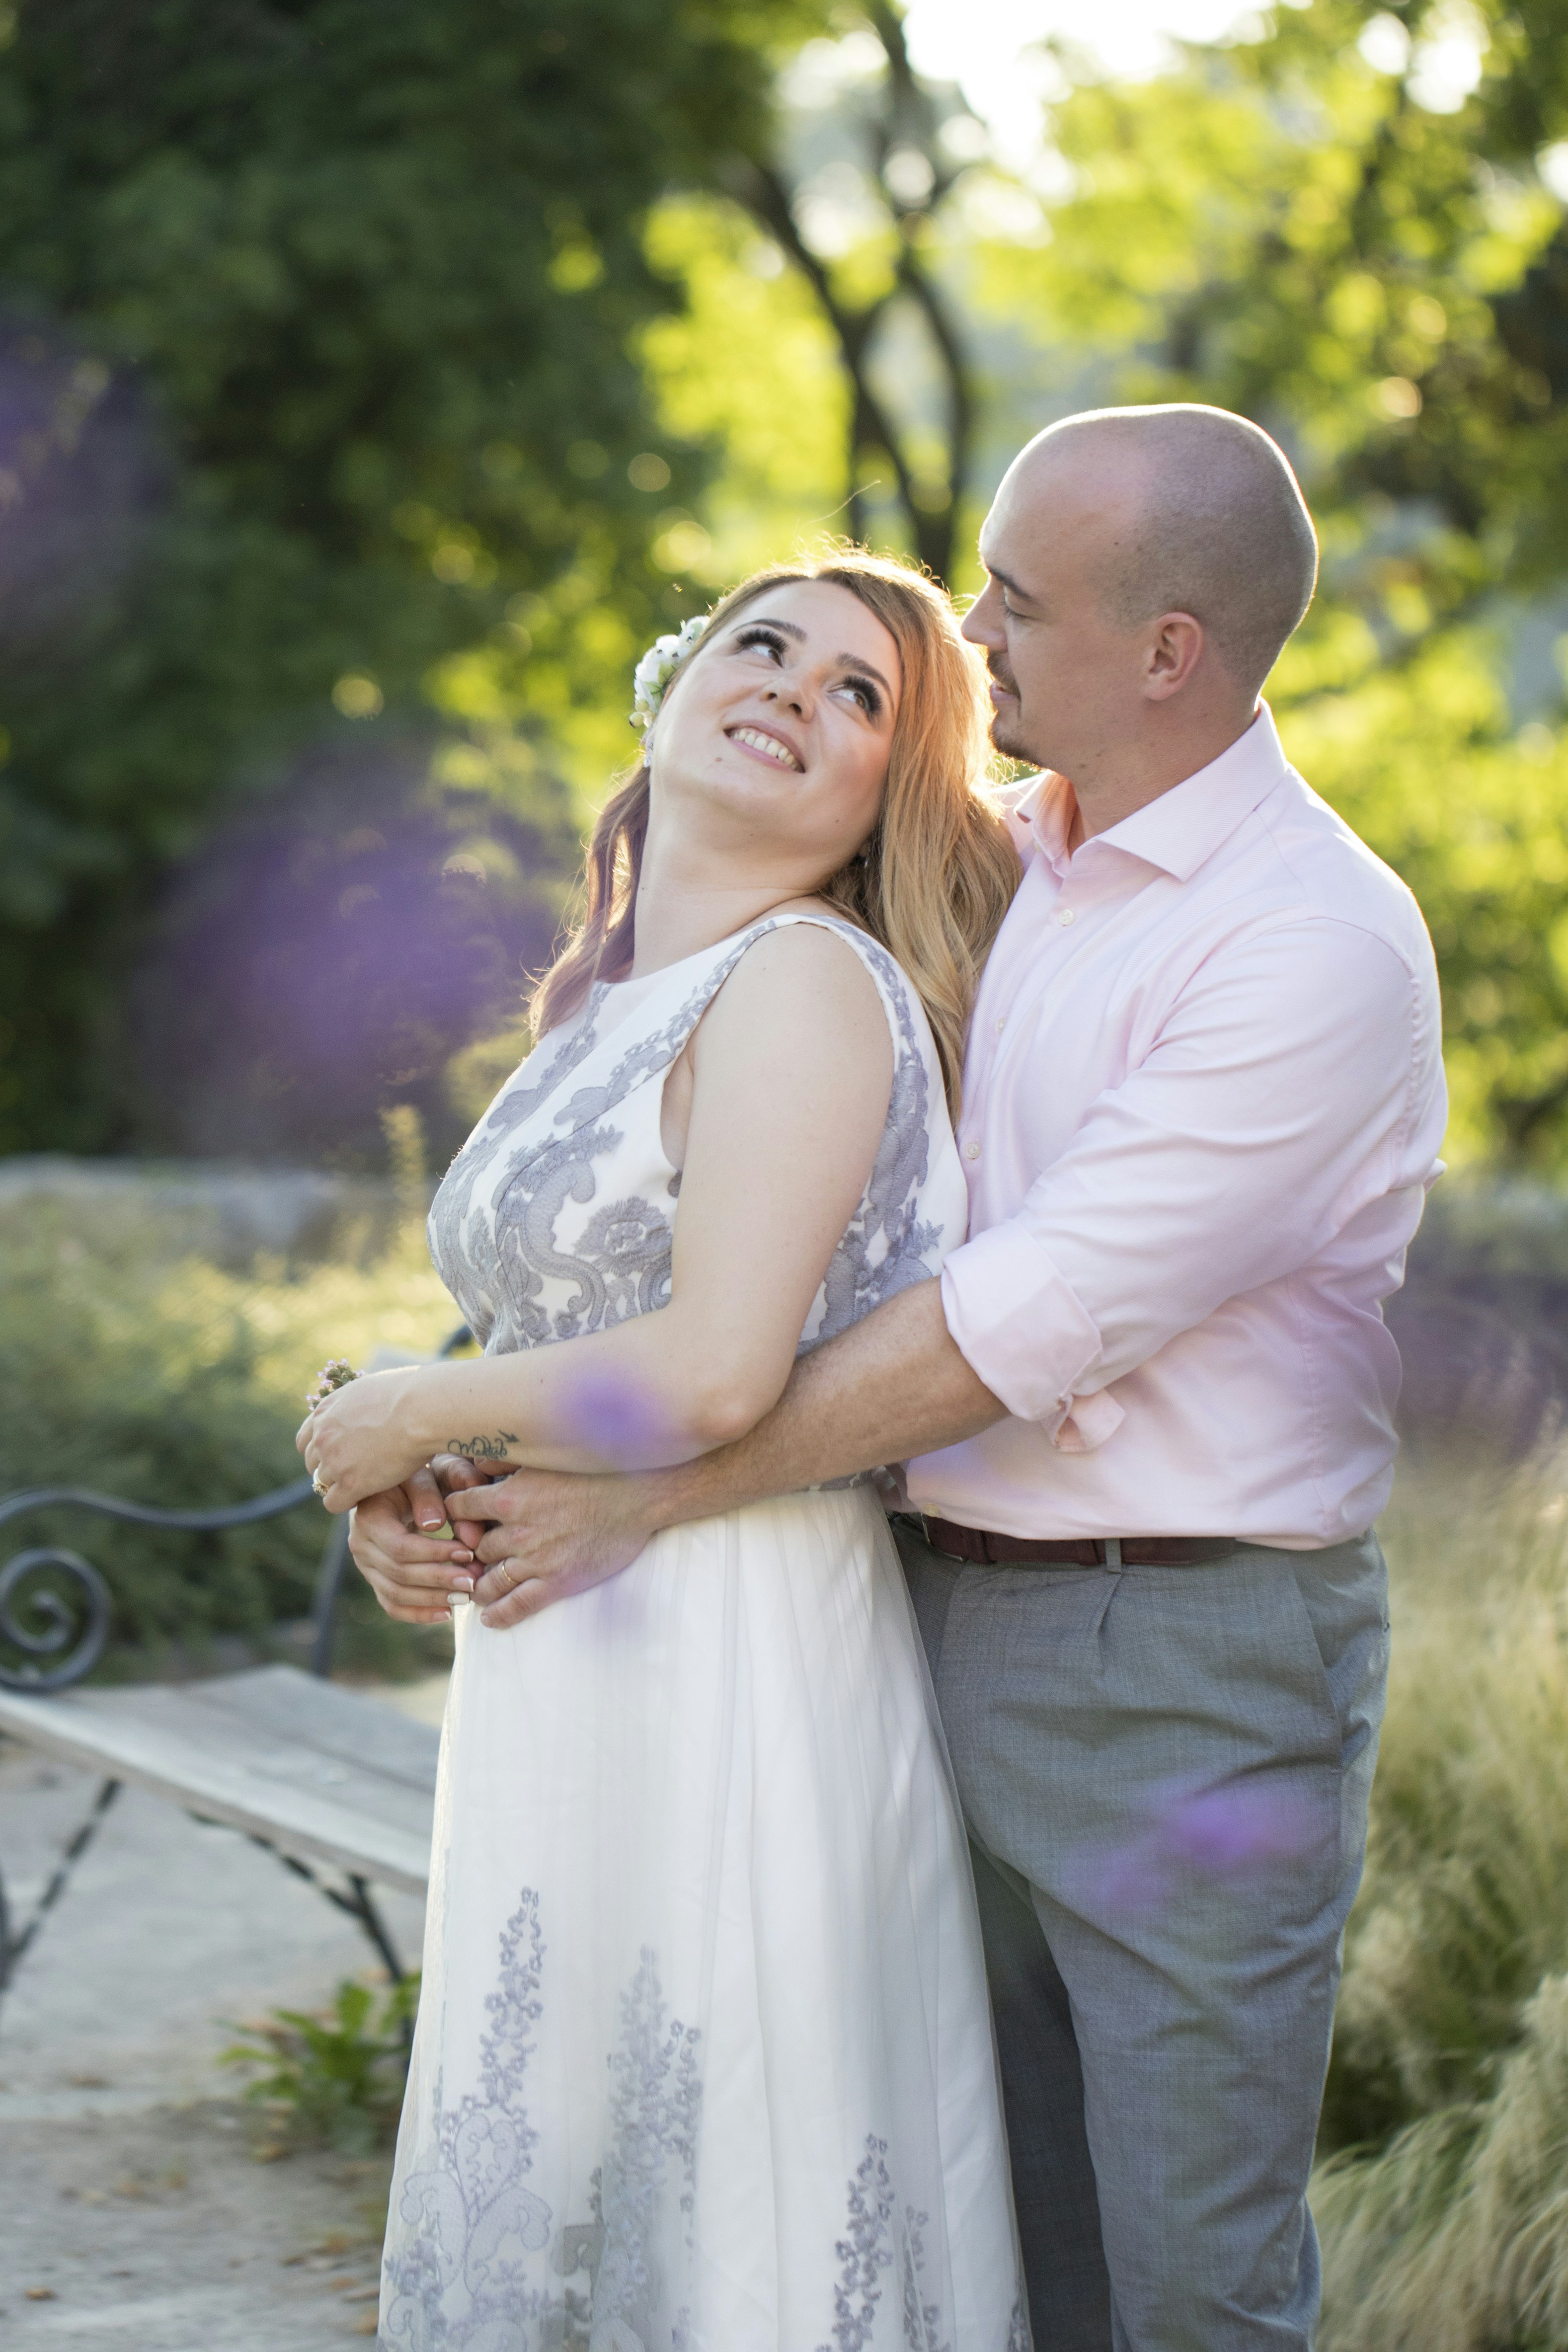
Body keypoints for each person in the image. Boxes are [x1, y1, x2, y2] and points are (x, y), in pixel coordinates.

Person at [353, 404, 1447, 2351]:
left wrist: (650, 1477)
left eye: (1012, 604)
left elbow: (1010, 1320)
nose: (976, 633)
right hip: (893, 1603)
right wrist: (466, 1470)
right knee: (971, 2222)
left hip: (1177, 1663)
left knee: (1180, 2275)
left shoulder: (1314, 943)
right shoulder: (986, 865)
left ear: (1171, 648)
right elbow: (677, 1221)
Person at [301, 552, 1031, 2349]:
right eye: (761, 644)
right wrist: (425, 1503)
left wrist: (411, 1403)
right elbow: (564, 1338)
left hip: (732, 1638)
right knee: (567, 2159)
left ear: (885, 790)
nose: (792, 686)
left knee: (734, 2179)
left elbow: (712, 1370)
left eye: (860, 693)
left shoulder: (800, 980)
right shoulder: (610, 999)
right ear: (676, 686)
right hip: (568, 1641)